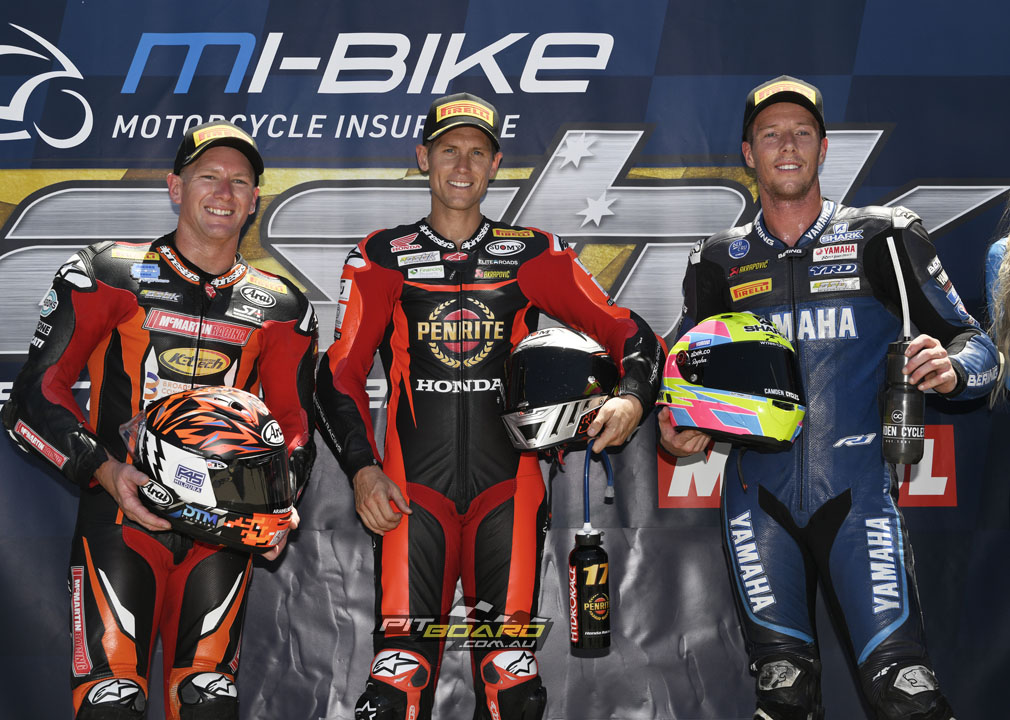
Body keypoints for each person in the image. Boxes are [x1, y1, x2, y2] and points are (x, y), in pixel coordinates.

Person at [314, 92, 663, 720]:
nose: (462, 165)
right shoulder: (381, 255)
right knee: (398, 688)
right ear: (423, 157)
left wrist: (634, 399)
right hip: (411, 497)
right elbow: (337, 373)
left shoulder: (532, 252)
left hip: (510, 493)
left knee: (513, 688)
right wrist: (363, 469)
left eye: (477, 152)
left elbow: (628, 332)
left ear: (496, 164)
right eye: (449, 149)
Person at [660, 76, 998, 720]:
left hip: (859, 496)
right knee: (783, 694)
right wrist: (674, 423)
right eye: (770, 135)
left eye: (802, 133)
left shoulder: (884, 237)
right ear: (748, 153)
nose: (787, 146)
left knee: (905, 693)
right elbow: (678, 377)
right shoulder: (716, 261)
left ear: (823, 148)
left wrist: (954, 368)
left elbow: (976, 343)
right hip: (757, 502)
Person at [2, 121, 317, 720]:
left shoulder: (282, 305)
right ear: (175, 187)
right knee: (111, 703)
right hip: (119, 519)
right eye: (208, 176)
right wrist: (105, 470)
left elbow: (295, 424)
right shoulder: (109, 271)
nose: (223, 192)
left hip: (225, 531)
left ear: (255, 200)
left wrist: (282, 498)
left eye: (239, 181)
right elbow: (33, 395)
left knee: (207, 701)